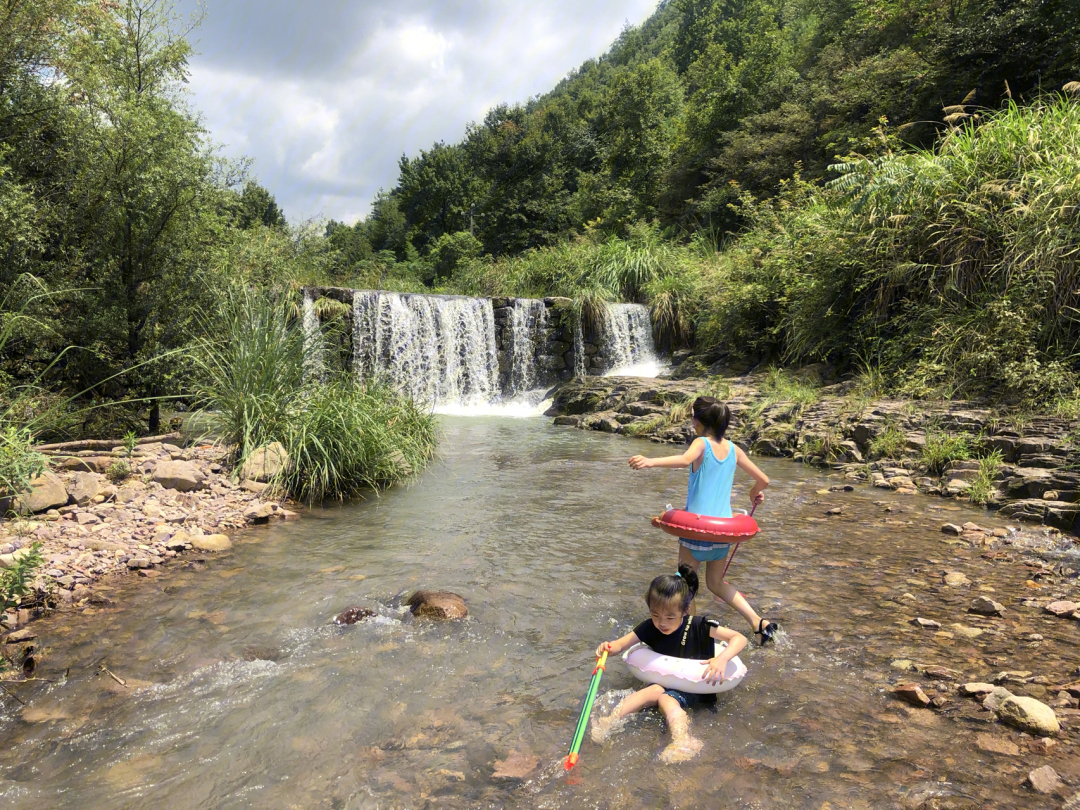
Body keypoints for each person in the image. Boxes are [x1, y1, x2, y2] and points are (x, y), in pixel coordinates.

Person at [629, 396, 779, 645]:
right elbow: (763, 479)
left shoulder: (701, 443)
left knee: (686, 586)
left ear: (697, 420)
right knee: (716, 583)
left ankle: (690, 638)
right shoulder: (734, 449)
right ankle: (758, 623)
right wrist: (754, 493)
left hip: (697, 533)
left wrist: (650, 461)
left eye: (692, 416)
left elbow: (685, 460)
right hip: (721, 534)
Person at [590, 564, 747, 763]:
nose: (662, 623)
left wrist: (722, 659)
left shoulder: (699, 626)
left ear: (685, 610)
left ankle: (685, 741)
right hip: (663, 682)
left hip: (696, 686)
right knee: (652, 690)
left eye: (670, 617)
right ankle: (609, 722)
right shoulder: (649, 627)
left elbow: (739, 638)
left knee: (665, 698)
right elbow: (620, 645)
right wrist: (607, 647)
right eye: (655, 615)